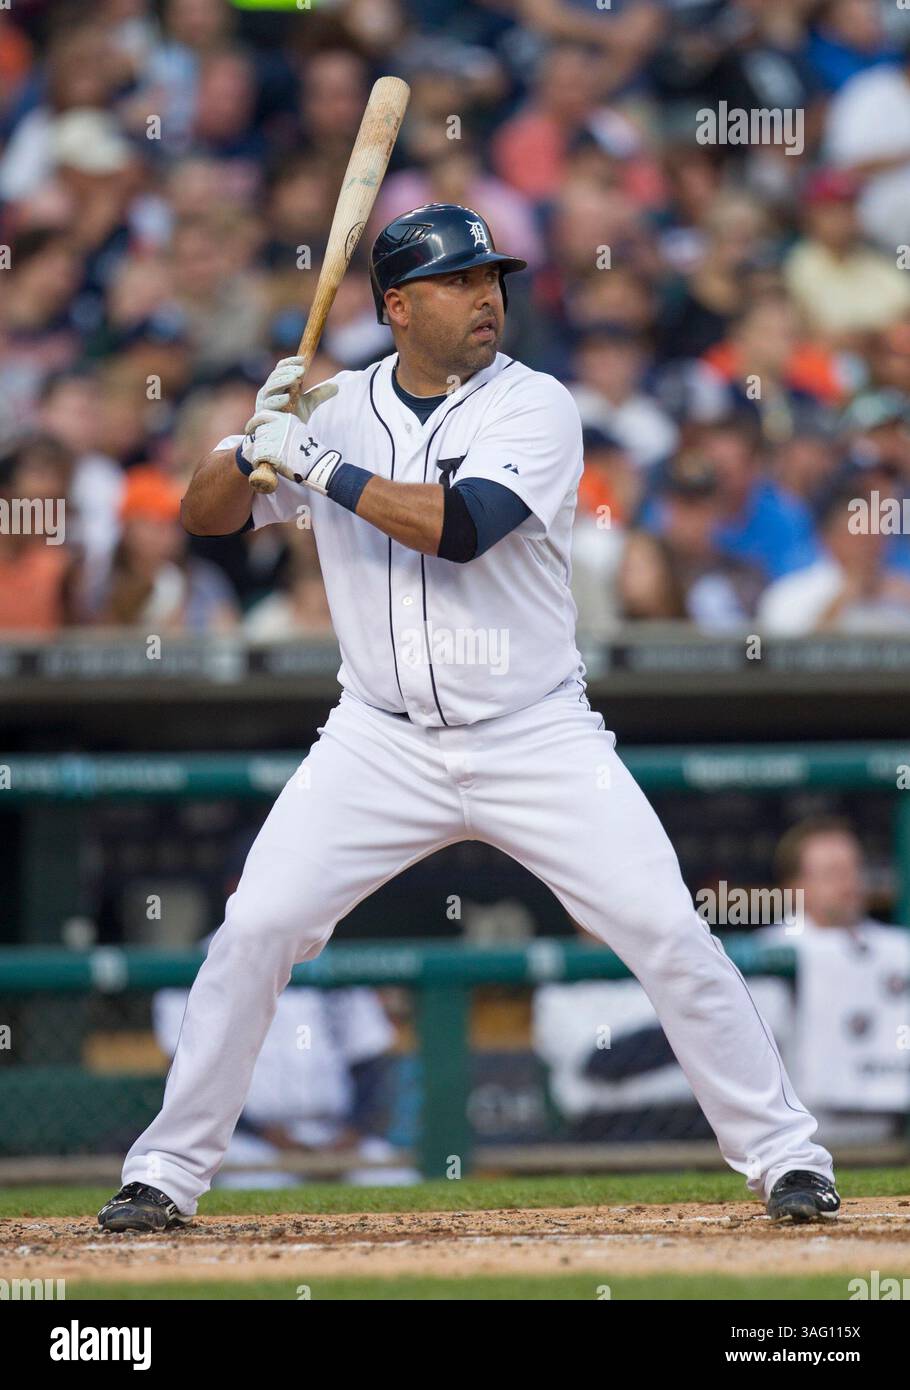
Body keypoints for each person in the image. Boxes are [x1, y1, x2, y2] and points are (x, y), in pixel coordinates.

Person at [99, 203, 838, 1234]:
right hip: (377, 738)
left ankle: (787, 1157)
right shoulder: (335, 406)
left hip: (533, 731)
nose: (486, 295)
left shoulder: (535, 405)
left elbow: (463, 528)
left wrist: (313, 463)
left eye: (491, 277)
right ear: (398, 306)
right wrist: (244, 441)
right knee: (255, 928)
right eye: (458, 281)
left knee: (667, 929)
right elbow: (205, 516)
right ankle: (166, 1172)